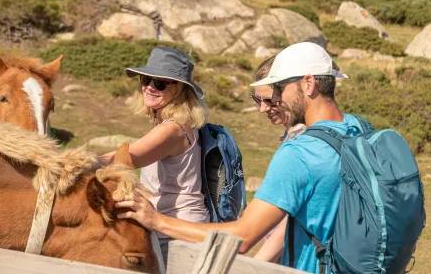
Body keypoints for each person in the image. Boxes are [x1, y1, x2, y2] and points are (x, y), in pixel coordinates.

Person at [115, 42, 362, 274]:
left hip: (308, 264)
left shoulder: (301, 151)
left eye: (277, 93)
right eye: (259, 100)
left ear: (309, 84)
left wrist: (157, 221)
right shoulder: (356, 128)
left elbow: (253, 234)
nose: (265, 107)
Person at [99, 47, 209, 266]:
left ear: (180, 90)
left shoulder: (172, 130)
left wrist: (68, 163)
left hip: (176, 234)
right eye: (146, 79)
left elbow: (125, 159)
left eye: (160, 83)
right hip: (169, 227)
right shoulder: (172, 124)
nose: (149, 87)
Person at [250, 55, 306, 263]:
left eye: (270, 100)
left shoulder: (302, 142)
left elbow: (289, 221)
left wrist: (257, 265)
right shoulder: (294, 136)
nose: (263, 109)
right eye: (258, 100)